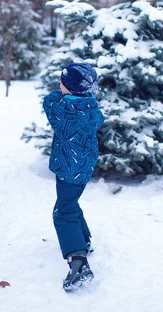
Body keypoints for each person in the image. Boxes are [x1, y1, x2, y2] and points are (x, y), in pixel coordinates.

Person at [42, 63, 104, 291]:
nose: (59, 85)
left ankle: (78, 261)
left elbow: (48, 102)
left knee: (63, 213)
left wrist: (61, 92)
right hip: (84, 167)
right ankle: (84, 241)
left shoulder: (63, 112)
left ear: (68, 87)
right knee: (70, 203)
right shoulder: (91, 106)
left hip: (68, 169)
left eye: (62, 82)